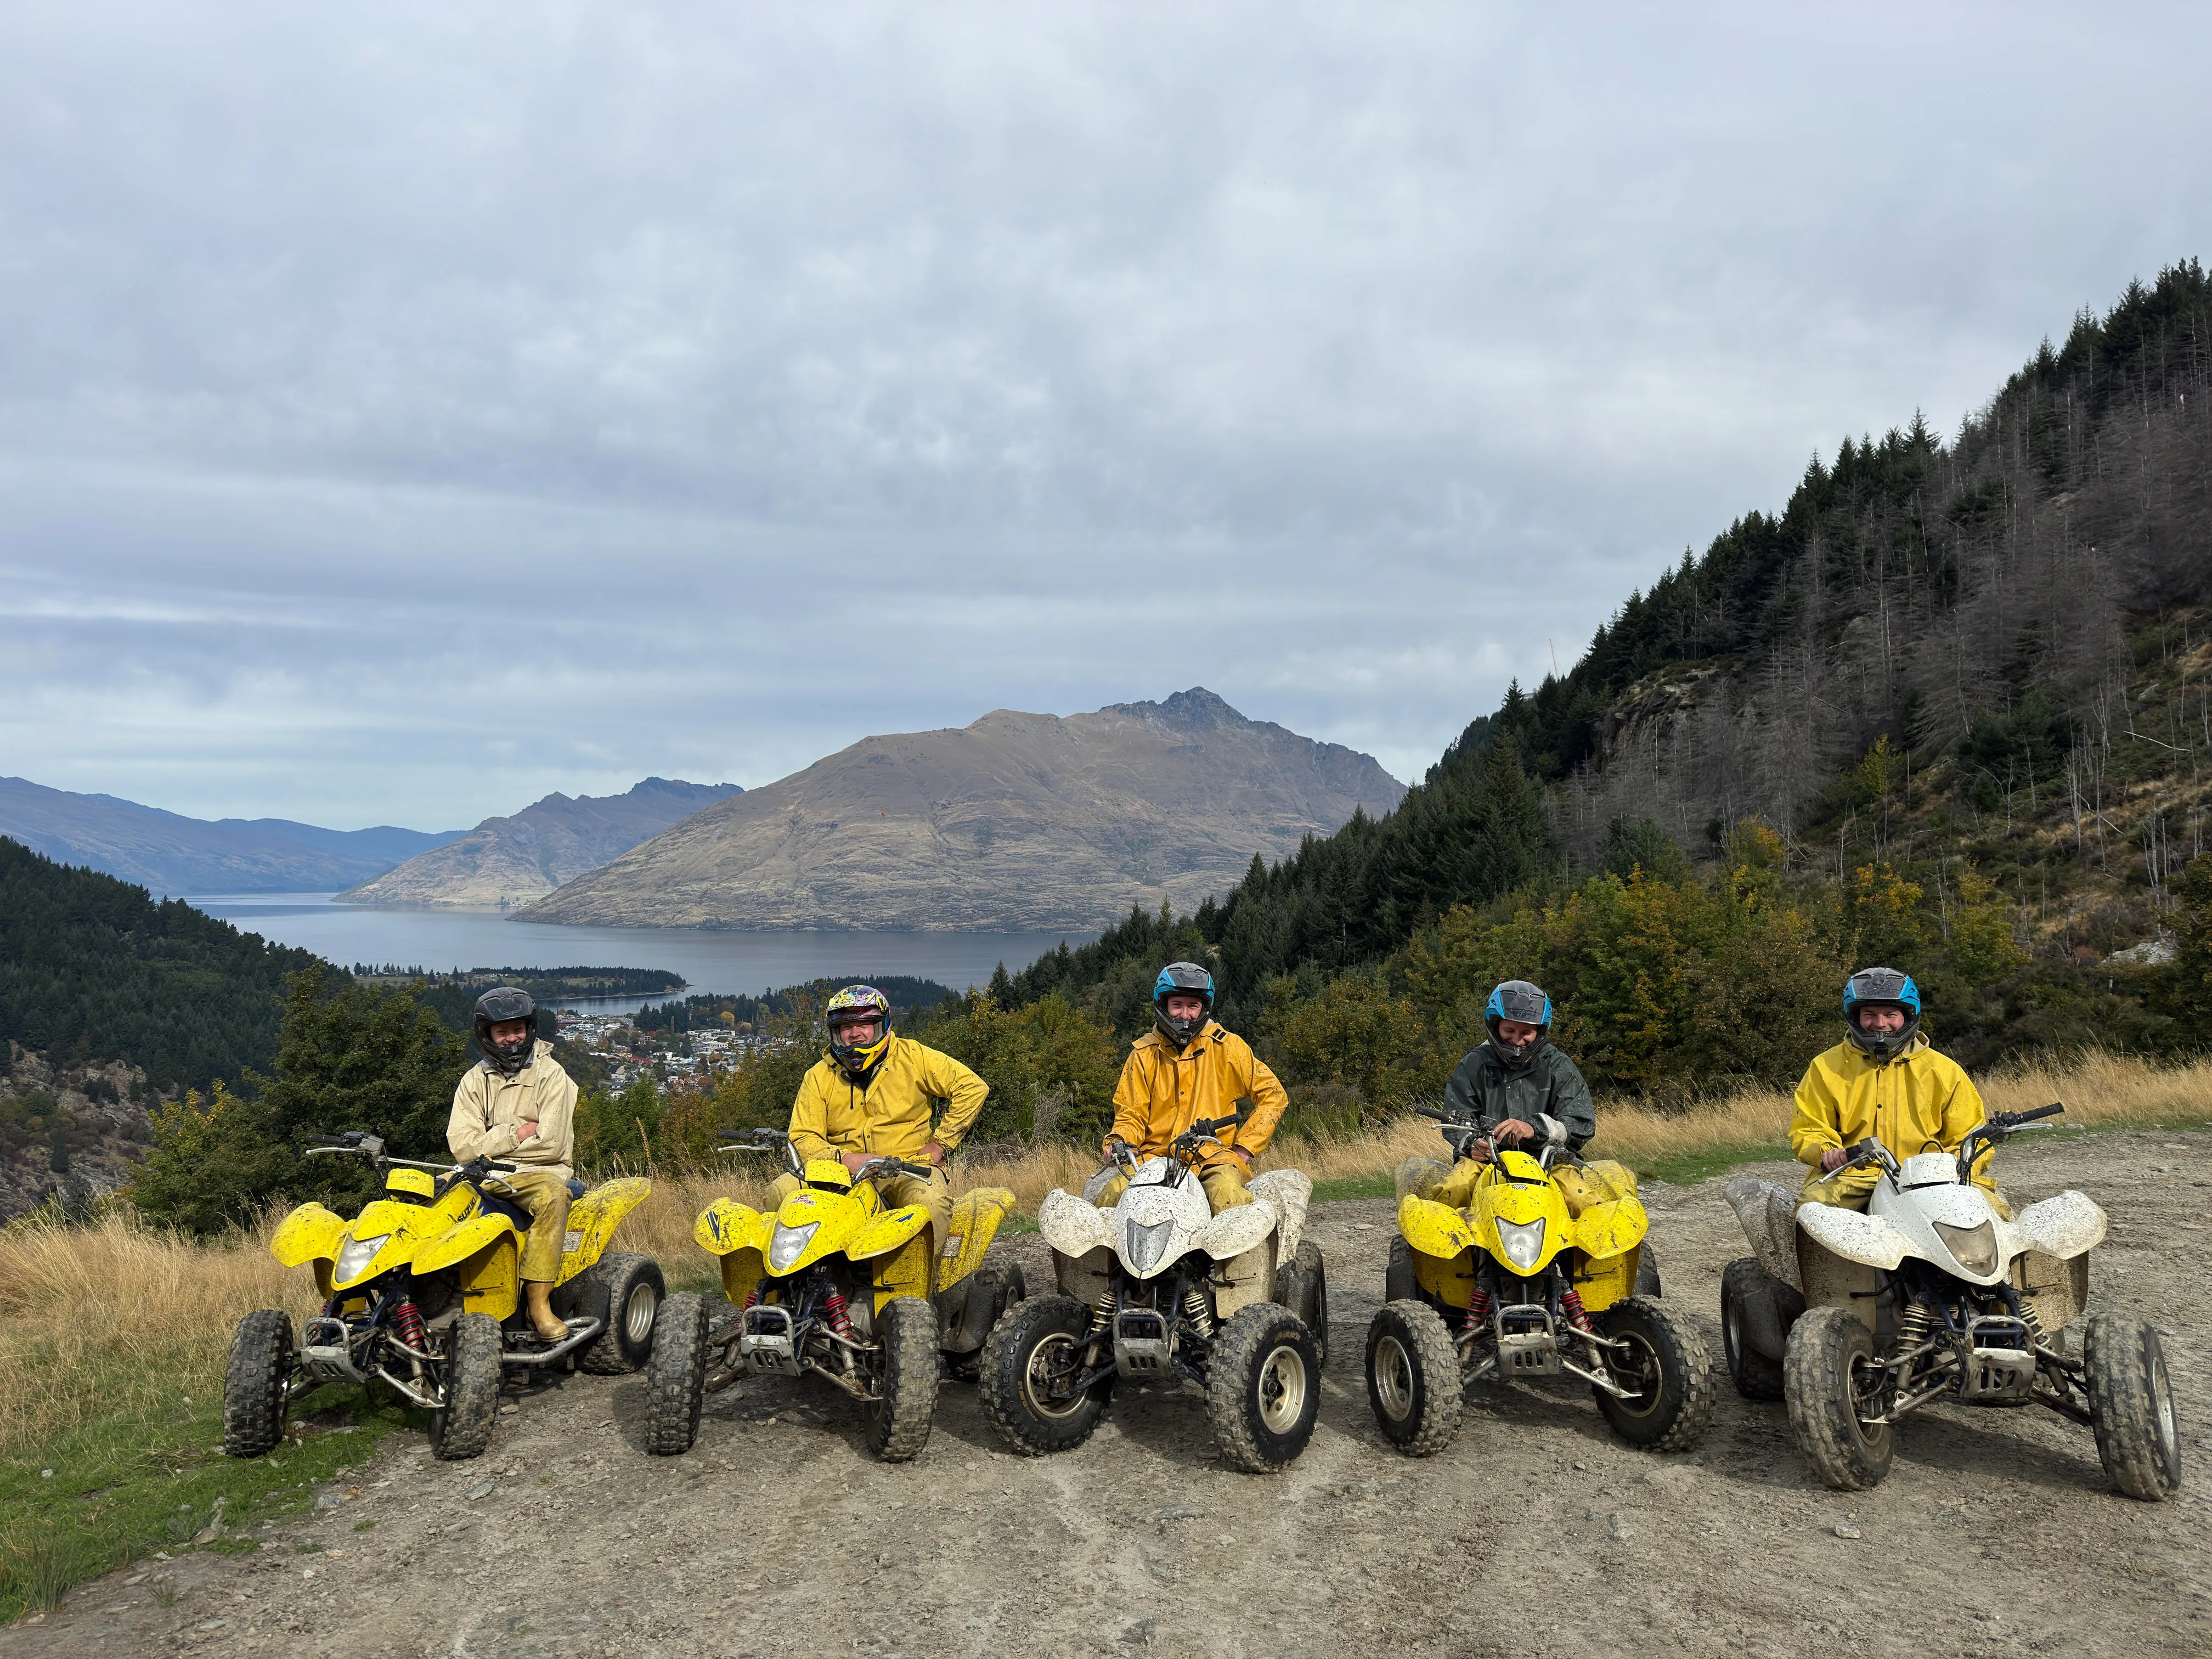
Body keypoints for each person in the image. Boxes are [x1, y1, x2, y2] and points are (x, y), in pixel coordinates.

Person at [778, 985, 989, 1271]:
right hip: (837, 1174)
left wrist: (942, 1143)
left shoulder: (913, 1057)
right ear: (835, 1032)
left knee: (931, 1204)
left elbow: (972, 1087)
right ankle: (788, 1284)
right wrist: (844, 1159)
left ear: (883, 1026)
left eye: (865, 1024)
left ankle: (926, 1283)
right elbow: (803, 1135)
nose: (855, 1034)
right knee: (781, 1192)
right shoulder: (818, 1076)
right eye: (846, 1027)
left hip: (908, 1168)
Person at [1791, 966, 2005, 1214]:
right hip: (1852, 1176)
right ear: (1855, 1016)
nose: (1880, 1024)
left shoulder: (1945, 1071)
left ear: (1908, 1016)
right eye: (1870, 1014)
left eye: (1890, 1014)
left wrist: (1956, 1167)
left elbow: (1971, 1136)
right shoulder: (1825, 1067)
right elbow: (1808, 1128)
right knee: (1813, 1213)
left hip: (1935, 1179)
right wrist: (1827, 1152)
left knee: (1993, 1214)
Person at [1096, 962, 1289, 1214]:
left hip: (1213, 1157)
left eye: (1193, 1006)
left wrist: (1244, 1148)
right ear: (1163, 1005)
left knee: (1230, 1200)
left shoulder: (1228, 1048)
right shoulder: (1143, 1055)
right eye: (1177, 1005)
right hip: (1154, 1157)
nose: (1185, 1015)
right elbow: (1131, 1113)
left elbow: (1274, 1095)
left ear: (1204, 1008)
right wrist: (1120, 1143)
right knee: (1112, 1198)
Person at [446, 987, 578, 1342]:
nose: (512, 1038)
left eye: (518, 1029)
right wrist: (516, 1133)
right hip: (482, 1173)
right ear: (487, 1035)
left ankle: (538, 1305)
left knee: (554, 1198)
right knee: (427, 1196)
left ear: (529, 1029)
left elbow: (551, 1144)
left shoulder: (551, 1075)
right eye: (502, 1032)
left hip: (538, 1174)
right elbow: (461, 1147)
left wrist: (488, 1145)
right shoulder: (474, 1081)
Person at [1420, 979, 1596, 1210]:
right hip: (1486, 1162)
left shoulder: (1559, 1066)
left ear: (1540, 1031)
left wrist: (1535, 1128)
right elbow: (1456, 1120)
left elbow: (1582, 1123)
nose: (1517, 1040)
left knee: (1581, 1202)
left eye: (1527, 1032)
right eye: (1509, 1031)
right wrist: (1471, 1144)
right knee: (1453, 1191)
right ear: (1495, 1026)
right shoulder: (1474, 1064)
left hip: (1550, 1161)